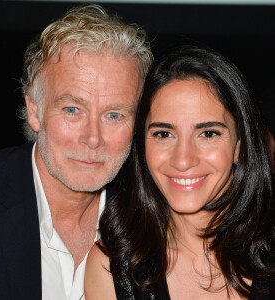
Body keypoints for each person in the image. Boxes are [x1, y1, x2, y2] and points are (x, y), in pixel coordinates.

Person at [0, 4, 152, 300]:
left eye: (114, 115)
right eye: (72, 109)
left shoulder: (155, 221)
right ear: (35, 111)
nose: (92, 139)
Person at [85, 45, 275, 299]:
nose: (183, 160)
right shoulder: (112, 268)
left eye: (208, 133)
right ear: (143, 146)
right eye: (164, 134)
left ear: (239, 147)